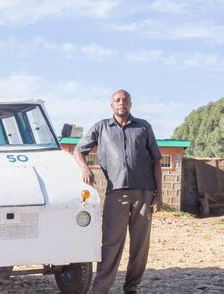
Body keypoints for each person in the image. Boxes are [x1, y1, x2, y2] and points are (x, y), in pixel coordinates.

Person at [73, 89, 163, 294]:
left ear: (130, 104)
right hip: (116, 194)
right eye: (117, 100)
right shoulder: (101, 127)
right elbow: (79, 150)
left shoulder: (143, 127)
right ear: (111, 105)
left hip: (144, 193)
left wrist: (159, 194)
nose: (121, 103)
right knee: (111, 242)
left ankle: (131, 288)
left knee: (140, 246)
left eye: (125, 100)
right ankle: (100, 289)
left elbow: (157, 160)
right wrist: (85, 168)